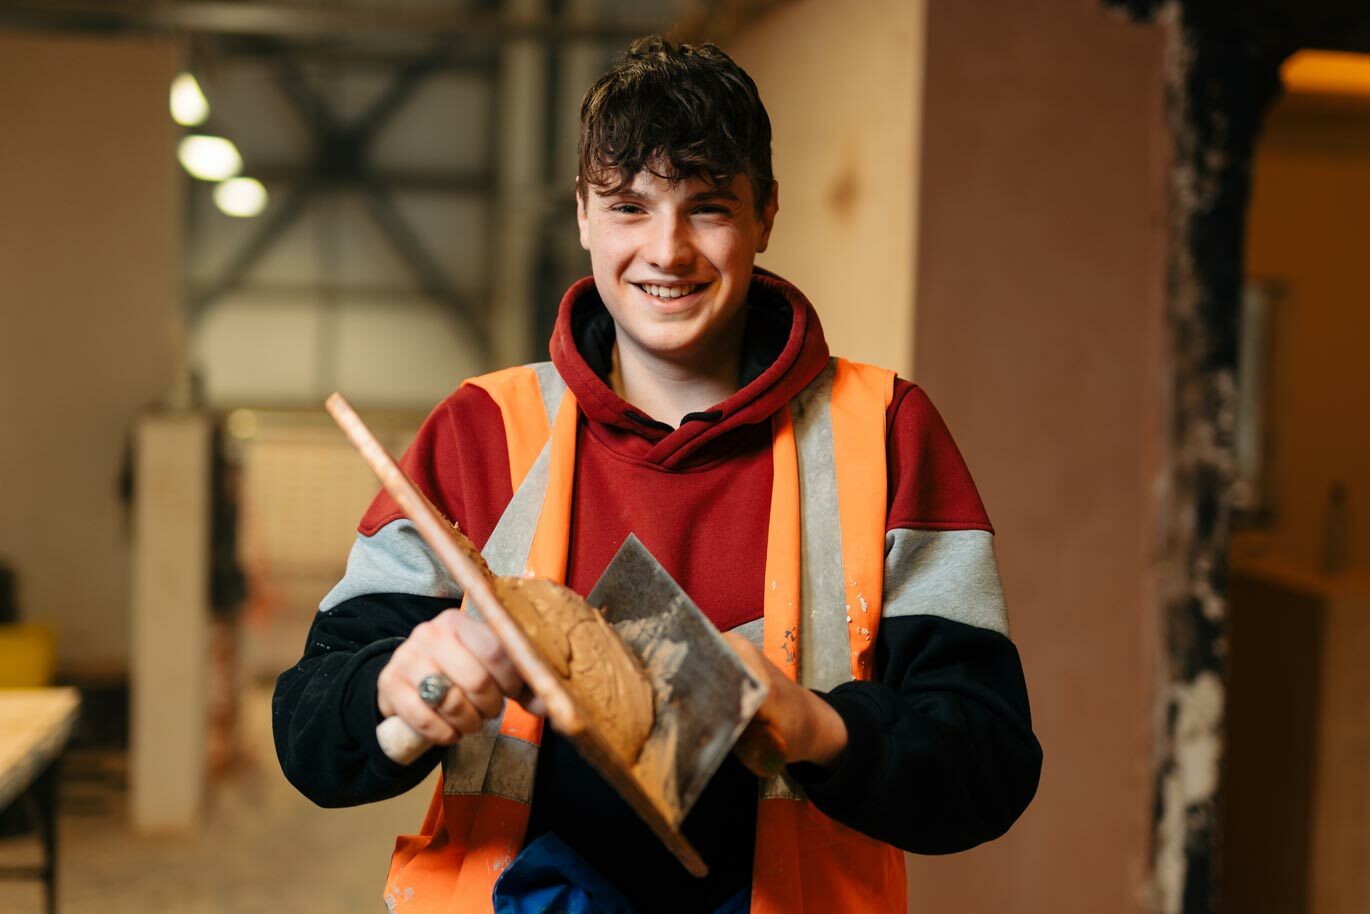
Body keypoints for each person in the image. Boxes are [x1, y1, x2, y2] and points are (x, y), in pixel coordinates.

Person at [274, 36, 1041, 914]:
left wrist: (817, 725)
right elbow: (308, 730)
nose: (667, 251)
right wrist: (399, 681)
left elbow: (987, 761)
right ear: (582, 215)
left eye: (707, 207)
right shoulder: (482, 432)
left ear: (766, 214)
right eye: (629, 207)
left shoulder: (885, 431)